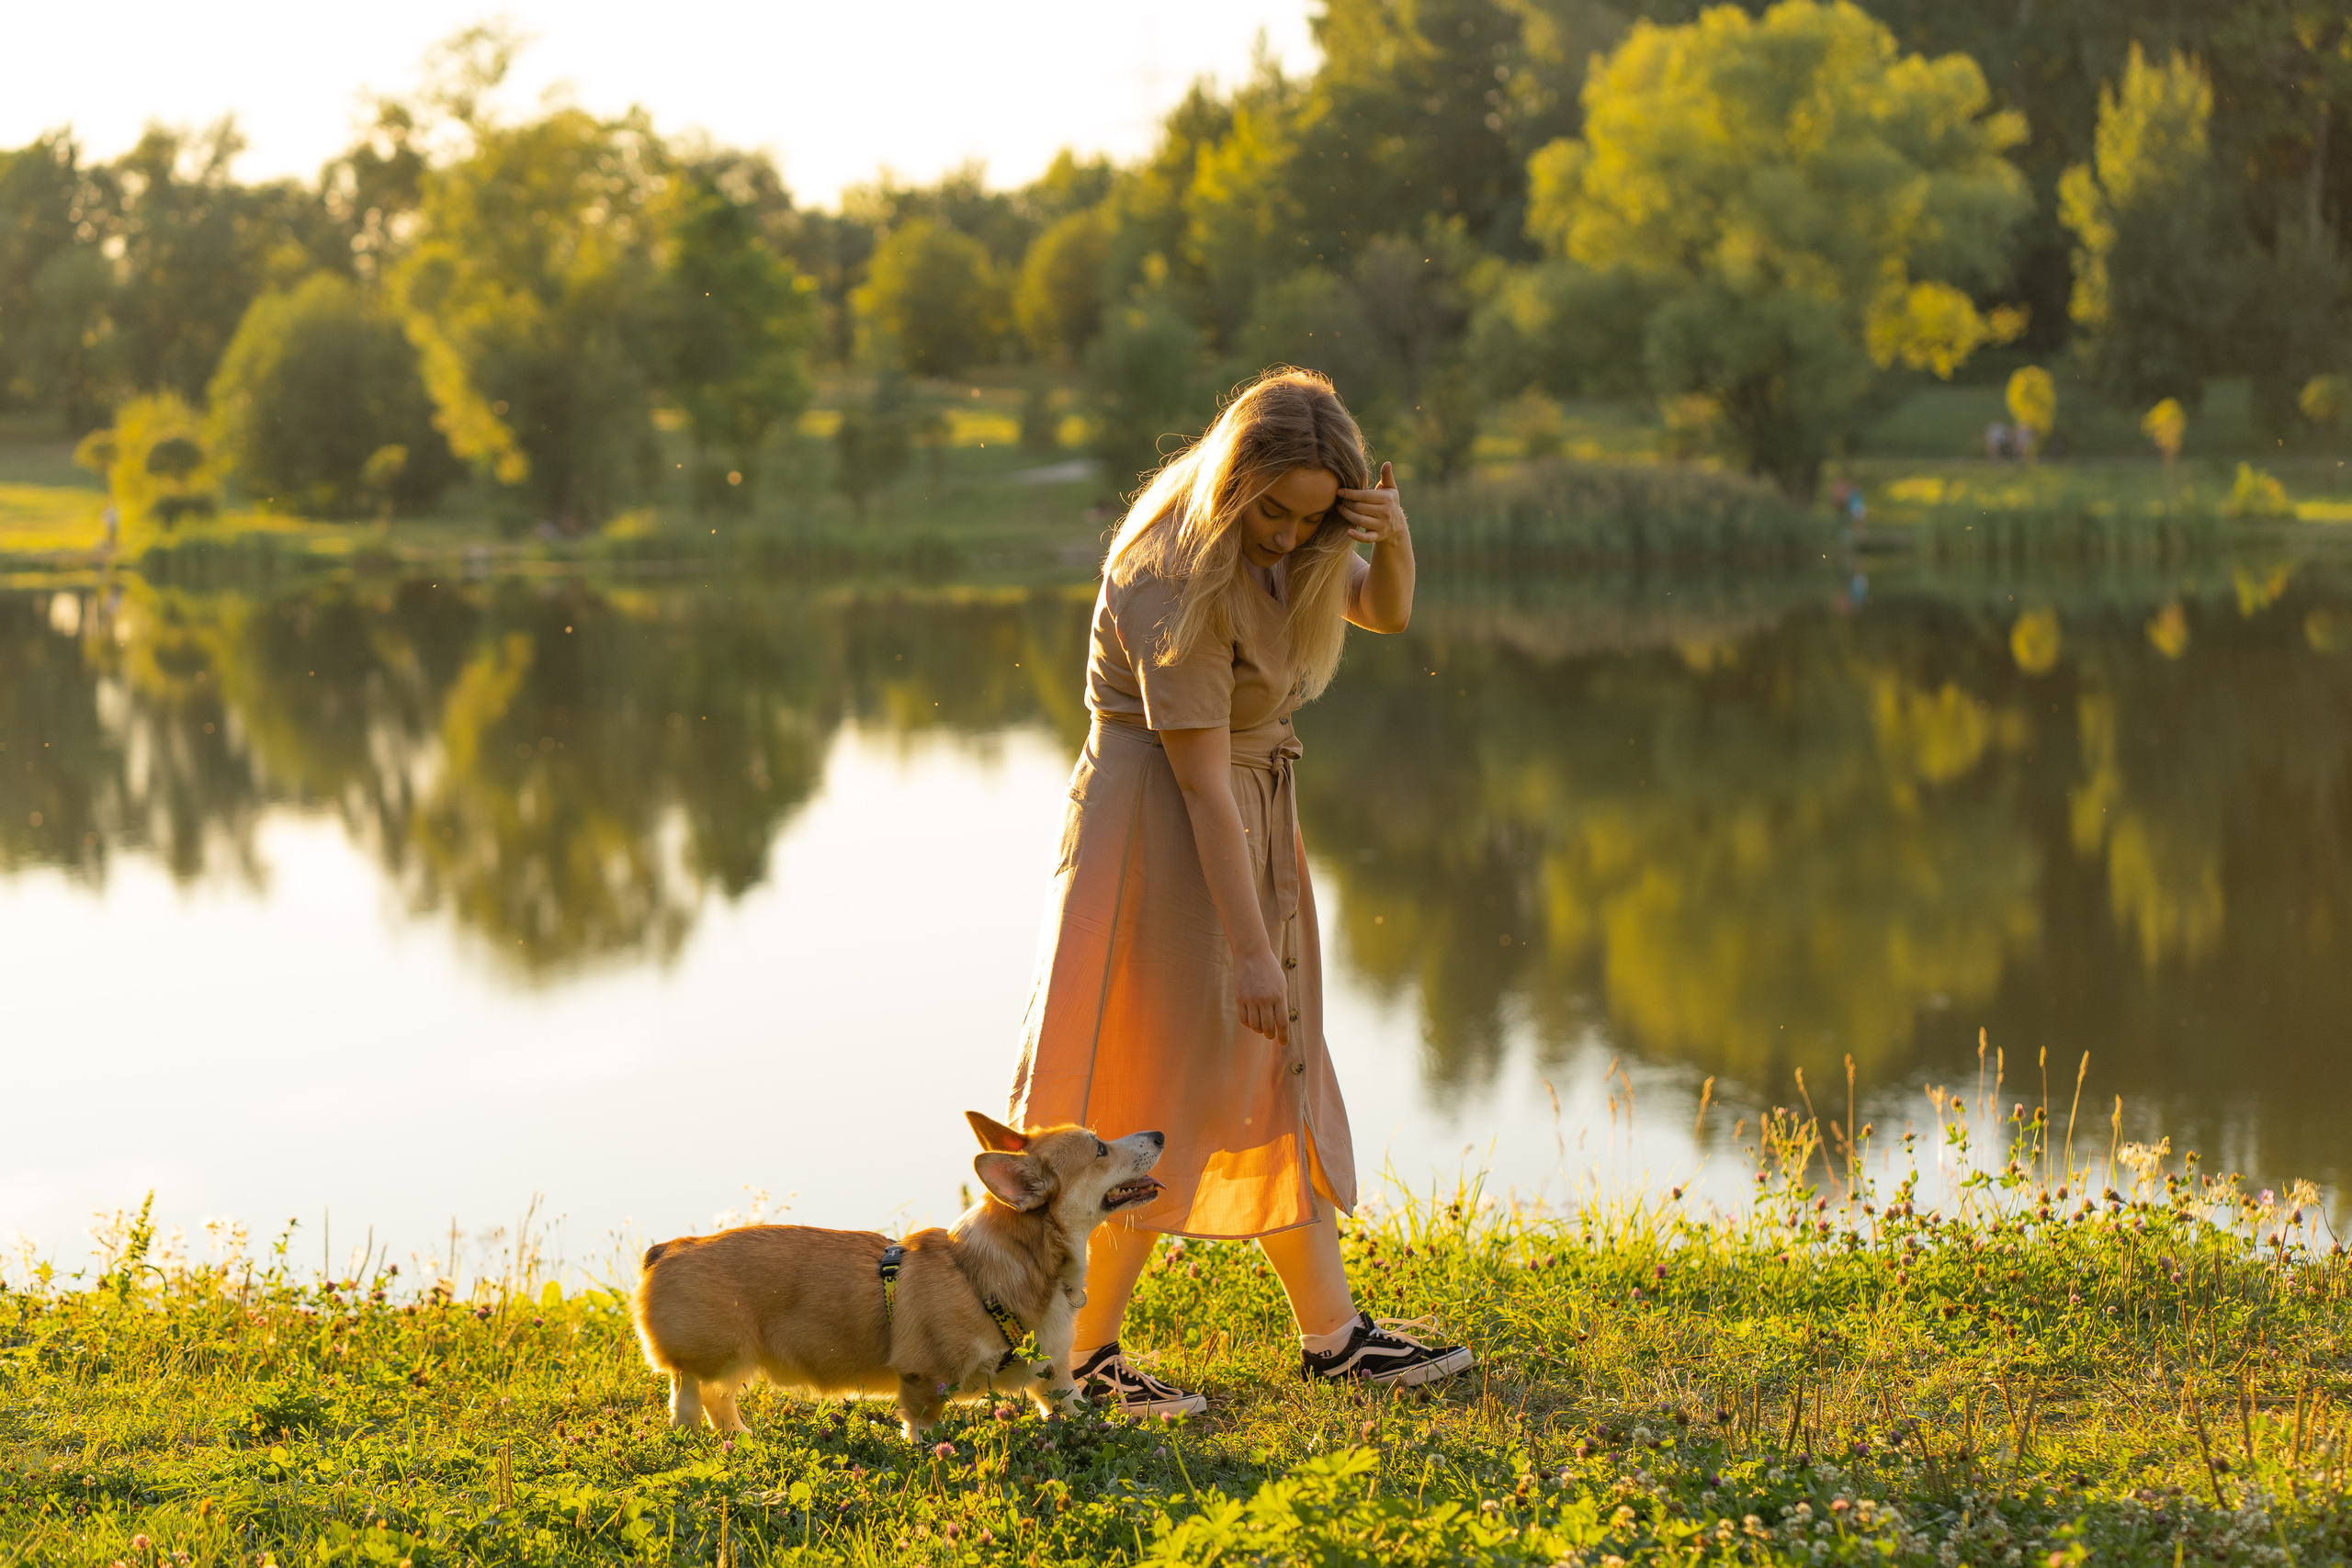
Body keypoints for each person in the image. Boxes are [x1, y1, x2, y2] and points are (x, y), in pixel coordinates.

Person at [1007, 368, 1474, 1417]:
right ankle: (1078, 1360)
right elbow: (1199, 786)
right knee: (1151, 1085)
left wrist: (1387, 536)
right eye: (1273, 509)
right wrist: (1254, 951)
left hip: (1246, 816)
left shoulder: (1294, 546)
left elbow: (1382, 613)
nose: (1287, 535)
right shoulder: (1172, 574)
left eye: (1315, 517)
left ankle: (1333, 1337)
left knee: (1272, 1075)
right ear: (1233, 480)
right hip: (1160, 832)